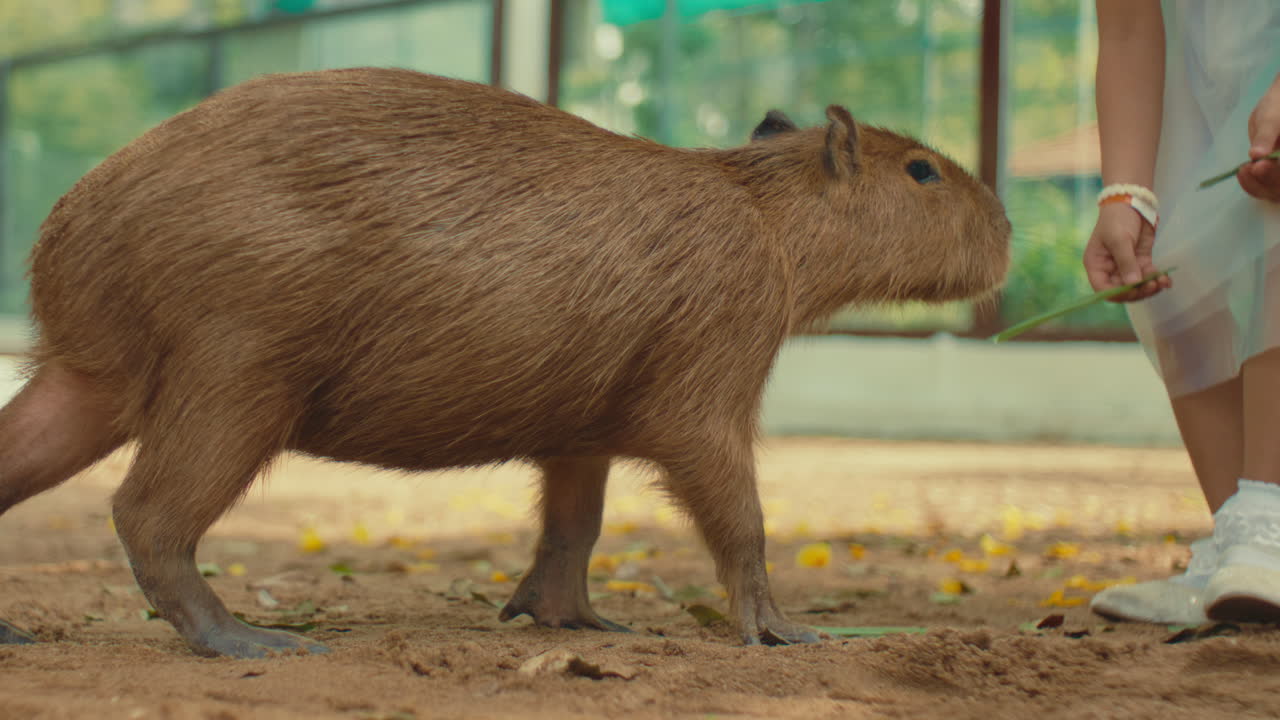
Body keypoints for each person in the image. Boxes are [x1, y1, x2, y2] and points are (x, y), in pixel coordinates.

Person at [1085, 0, 1280, 626]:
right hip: (1199, 61)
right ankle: (1237, 540)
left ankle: (1267, 518)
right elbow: (1129, 24)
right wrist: (1125, 191)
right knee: (1165, 250)